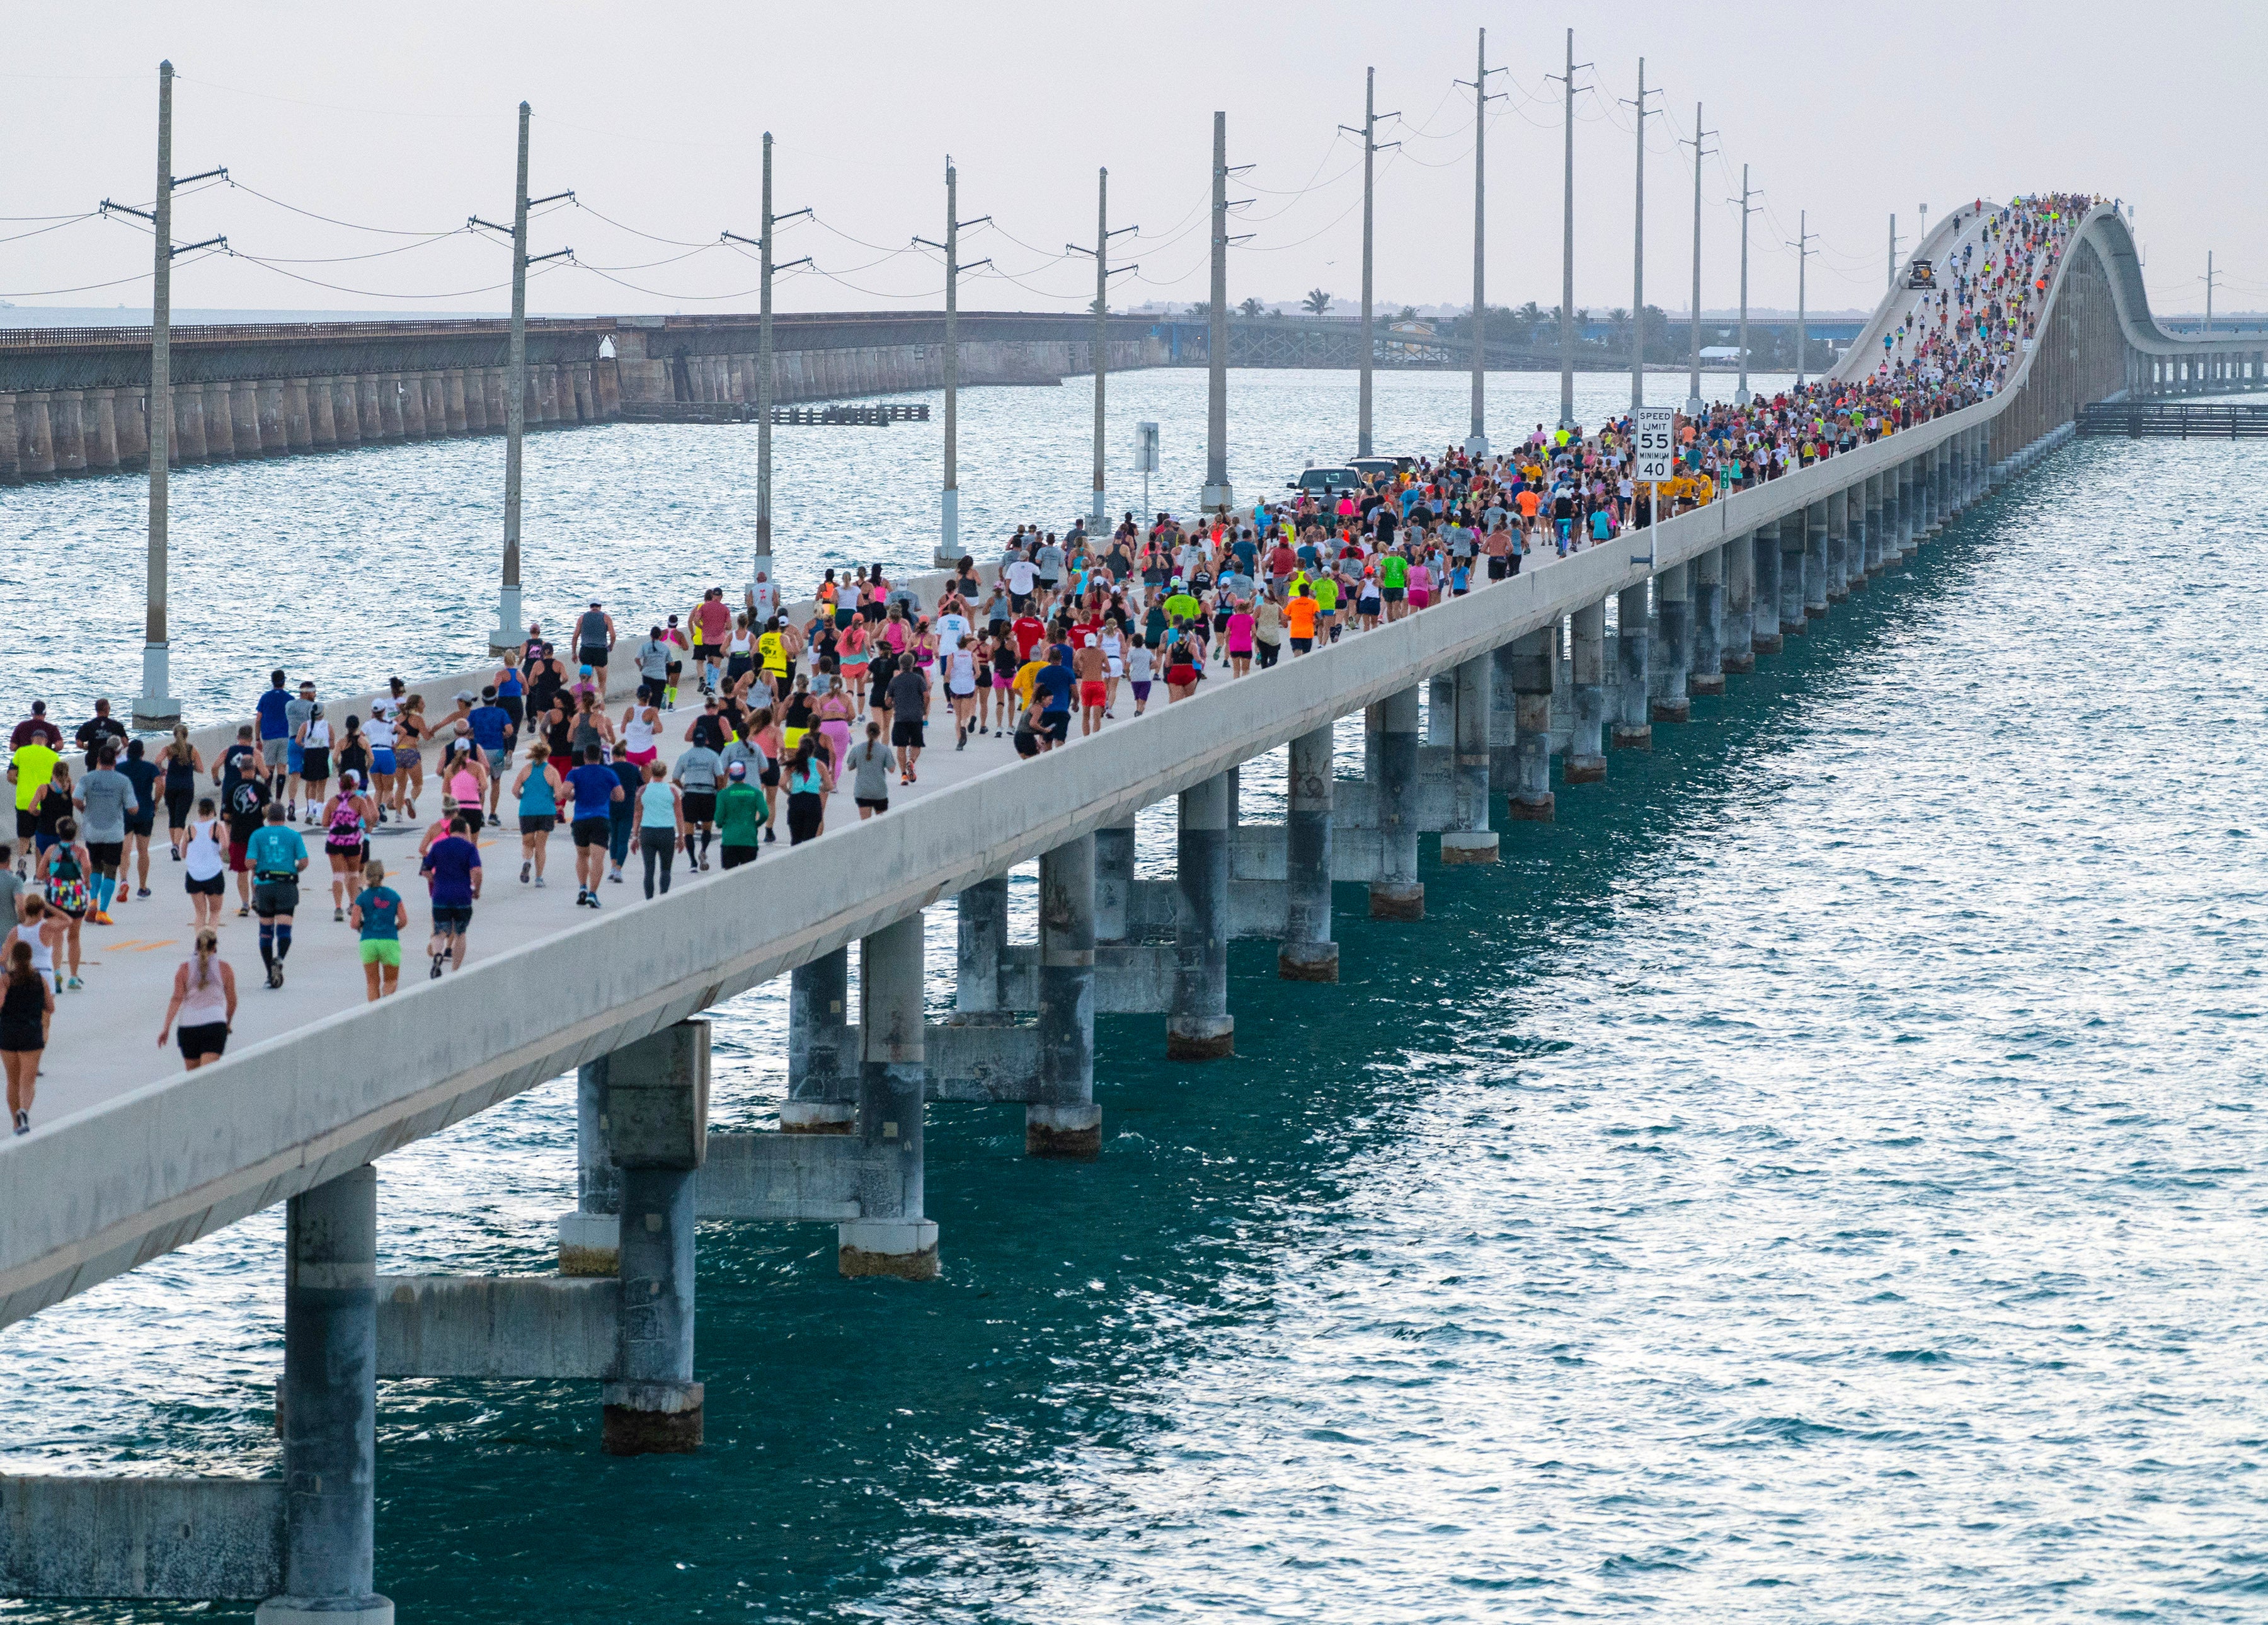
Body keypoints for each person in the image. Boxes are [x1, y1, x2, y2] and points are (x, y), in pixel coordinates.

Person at [246, 801, 309, 989]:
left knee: (266, 931)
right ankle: (279, 959)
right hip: (286, 886)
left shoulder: (257, 835)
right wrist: (294, 869)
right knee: (285, 929)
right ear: (283, 817)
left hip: (265, 886)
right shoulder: (293, 836)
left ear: (267, 817)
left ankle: (268, 974)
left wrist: (260, 868)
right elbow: (304, 861)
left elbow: (250, 862)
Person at [157, 929, 236, 1071]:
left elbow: (176, 999)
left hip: (188, 1026)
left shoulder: (184, 969)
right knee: (208, 1077)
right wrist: (227, 1022)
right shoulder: (225, 969)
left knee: (193, 1079)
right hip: (215, 1024)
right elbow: (232, 1002)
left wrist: (166, 1028)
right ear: (215, 947)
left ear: (196, 947)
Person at [73, 744, 132, 926]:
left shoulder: (87, 779)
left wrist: (84, 809)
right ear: (115, 761)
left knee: (96, 867)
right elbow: (133, 807)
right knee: (111, 871)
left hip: (92, 831)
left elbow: (76, 798)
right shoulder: (123, 781)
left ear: (98, 760)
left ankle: (92, 902)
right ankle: (103, 912)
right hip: (113, 833)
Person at [419, 814, 482, 976]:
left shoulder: (439, 846)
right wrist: (476, 890)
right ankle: (455, 971)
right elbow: (477, 871)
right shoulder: (470, 848)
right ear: (464, 831)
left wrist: (436, 879)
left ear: (450, 830)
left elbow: (425, 870)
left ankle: (438, 955)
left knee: (439, 931)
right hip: (462, 896)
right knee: (460, 933)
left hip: (441, 895)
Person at [562, 744, 624, 907]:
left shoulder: (575, 773)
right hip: (600, 819)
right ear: (600, 757)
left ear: (584, 757)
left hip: (580, 819)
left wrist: (572, 797)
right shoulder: (609, 773)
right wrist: (607, 794)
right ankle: (592, 894)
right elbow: (620, 796)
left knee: (582, 855)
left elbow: (564, 791)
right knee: (598, 858)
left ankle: (582, 887)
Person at [3, 938, 53, 1134]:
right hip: (32, 1033)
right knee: (28, 1080)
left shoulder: (5, 980)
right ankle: (24, 1112)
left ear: (13, 958)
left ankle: (16, 1124)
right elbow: (51, 1007)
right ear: (30, 958)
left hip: (8, 1034)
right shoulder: (39, 979)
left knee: (12, 1080)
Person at [38, 817, 91, 989]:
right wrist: (87, 882)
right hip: (76, 897)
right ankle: (74, 977)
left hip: (55, 898)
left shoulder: (52, 850)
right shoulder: (81, 851)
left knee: (57, 936)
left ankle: (57, 973)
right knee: (74, 937)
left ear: (58, 832)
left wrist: (48, 873)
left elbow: (39, 874)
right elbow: (87, 866)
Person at [319, 771, 377, 922]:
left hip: (335, 841)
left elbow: (324, 823)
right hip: (352, 840)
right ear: (354, 785)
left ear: (339, 786)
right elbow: (369, 818)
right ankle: (353, 904)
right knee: (353, 874)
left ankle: (338, 907)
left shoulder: (332, 802)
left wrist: (336, 822)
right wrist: (367, 829)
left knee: (338, 875)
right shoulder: (359, 801)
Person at [348, 859, 408, 1001]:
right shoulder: (394, 896)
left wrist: (362, 927)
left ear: (366, 876)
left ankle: (374, 1014)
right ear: (383, 875)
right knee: (390, 981)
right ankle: (386, 1004)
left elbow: (354, 923)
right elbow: (404, 920)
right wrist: (394, 928)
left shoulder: (362, 897)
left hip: (368, 941)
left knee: (372, 983)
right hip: (389, 940)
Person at [512, 742, 562, 887]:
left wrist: (522, 797)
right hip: (546, 811)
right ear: (547, 755)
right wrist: (552, 799)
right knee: (541, 846)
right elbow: (559, 795)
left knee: (527, 841)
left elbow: (515, 790)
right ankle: (539, 878)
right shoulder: (552, 771)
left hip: (527, 810)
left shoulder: (526, 770)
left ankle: (527, 862)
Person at [672, 730, 723, 872]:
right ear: (706, 740)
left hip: (691, 793)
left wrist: (684, 788)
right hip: (708, 793)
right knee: (707, 827)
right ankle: (704, 850)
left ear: (693, 741)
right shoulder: (713, 756)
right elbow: (720, 776)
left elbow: (675, 778)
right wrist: (718, 790)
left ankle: (693, 862)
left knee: (689, 829)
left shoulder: (685, 756)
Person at [636, 759, 685, 898]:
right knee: (666, 868)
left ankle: (649, 900)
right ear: (664, 774)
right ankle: (663, 896)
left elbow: (638, 814)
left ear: (651, 772)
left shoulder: (643, 790)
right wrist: (681, 837)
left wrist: (635, 836)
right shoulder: (672, 791)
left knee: (649, 870)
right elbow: (679, 815)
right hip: (666, 832)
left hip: (648, 831)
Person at [118, 737, 159, 901]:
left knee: (125, 850)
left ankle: (123, 880)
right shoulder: (150, 768)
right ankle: (142, 887)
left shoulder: (120, 768)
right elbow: (160, 784)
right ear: (143, 753)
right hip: (145, 812)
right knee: (143, 851)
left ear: (127, 753)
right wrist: (156, 802)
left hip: (126, 812)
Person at [183, 796, 227, 931]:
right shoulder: (217, 827)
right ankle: (211, 944)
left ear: (199, 812)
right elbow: (225, 847)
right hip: (213, 873)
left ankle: (199, 945)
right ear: (214, 812)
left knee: (200, 913)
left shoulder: (189, 829)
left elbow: (182, 853)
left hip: (194, 874)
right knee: (215, 912)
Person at [158, 725, 202, 861]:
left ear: (174, 735)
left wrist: (163, 770)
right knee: (181, 817)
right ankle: (176, 846)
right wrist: (190, 766)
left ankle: (174, 846)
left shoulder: (168, 749)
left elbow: (157, 761)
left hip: (171, 787)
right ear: (187, 735)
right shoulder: (192, 750)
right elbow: (201, 768)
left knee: (173, 816)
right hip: (186, 787)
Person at [714, 760, 769, 869]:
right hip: (749, 839)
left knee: (729, 878)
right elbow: (764, 813)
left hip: (730, 840)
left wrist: (721, 824)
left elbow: (718, 819)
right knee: (748, 878)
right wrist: (755, 824)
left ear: (730, 775)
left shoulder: (723, 794)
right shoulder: (756, 793)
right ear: (744, 773)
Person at [886, 654, 929, 784]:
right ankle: (912, 761)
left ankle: (903, 775)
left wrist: (893, 704)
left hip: (900, 717)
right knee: (916, 744)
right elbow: (926, 696)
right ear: (913, 665)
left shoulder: (895, 681)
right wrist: (924, 709)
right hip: (916, 716)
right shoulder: (919, 679)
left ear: (900, 665)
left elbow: (888, 701)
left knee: (901, 747)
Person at [844, 721, 894, 820]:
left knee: (865, 825)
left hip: (862, 791)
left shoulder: (857, 749)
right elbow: (892, 769)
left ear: (866, 732)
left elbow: (850, 767)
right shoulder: (885, 750)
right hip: (879, 791)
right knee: (881, 823)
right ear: (879, 733)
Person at [782, 737, 827, 845]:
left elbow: (782, 783)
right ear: (813, 750)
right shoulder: (819, 765)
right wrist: (820, 788)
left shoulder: (793, 764)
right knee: (810, 841)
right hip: (813, 801)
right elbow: (830, 785)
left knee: (795, 839)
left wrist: (789, 792)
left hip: (796, 800)